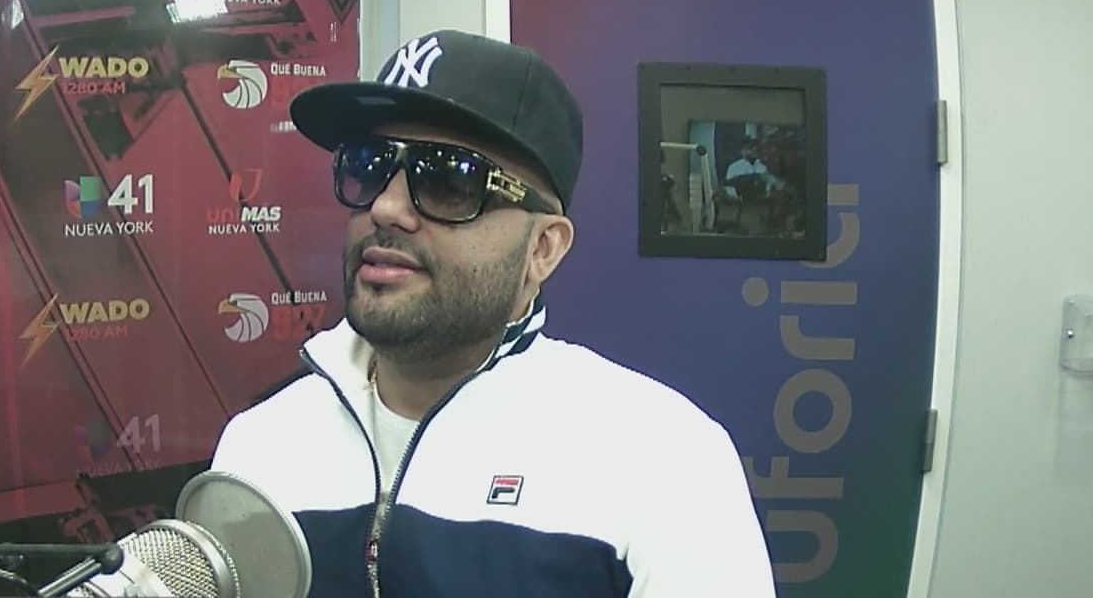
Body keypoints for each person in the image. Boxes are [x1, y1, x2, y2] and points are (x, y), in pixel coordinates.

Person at [211, 29, 777, 597]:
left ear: (542, 249)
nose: (386, 207)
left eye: (450, 179)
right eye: (370, 164)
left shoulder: (663, 459)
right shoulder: (260, 448)